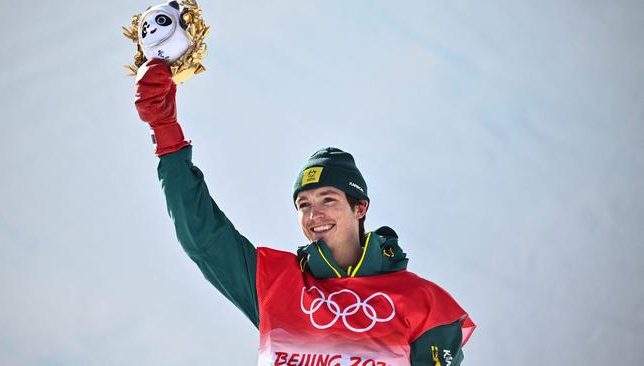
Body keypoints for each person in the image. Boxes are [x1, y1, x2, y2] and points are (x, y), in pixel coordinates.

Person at [134, 58, 475, 366]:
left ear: (360, 207)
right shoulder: (275, 284)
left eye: (328, 199)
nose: (315, 215)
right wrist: (166, 134)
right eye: (304, 205)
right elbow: (202, 234)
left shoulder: (423, 302)